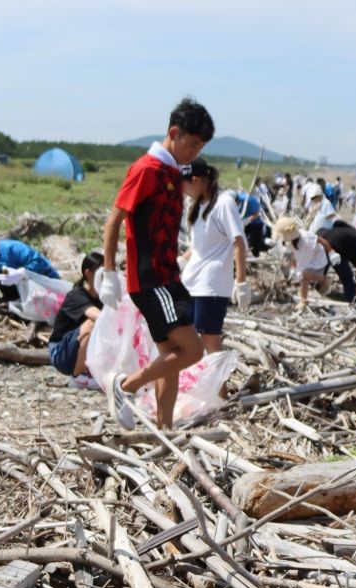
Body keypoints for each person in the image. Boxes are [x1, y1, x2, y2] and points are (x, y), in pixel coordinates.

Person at [97, 97, 214, 429]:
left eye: (200, 147)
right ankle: (125, 386)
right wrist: (108, 272)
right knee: (193, 351)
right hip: (151, 281)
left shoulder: (172, 172)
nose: (194, 152)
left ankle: (165, 429)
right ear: (173, 133)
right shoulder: (146, 169)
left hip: (168, 277)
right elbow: (114, 219)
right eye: (191, 144)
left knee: (171, 359)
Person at [180, 159, 251, 354]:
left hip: (211, 285)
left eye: (184, 184)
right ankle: (197, 382)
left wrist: (241, 282)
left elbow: (239, 242)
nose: (182, 190)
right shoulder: (198, 206)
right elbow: (199, 246)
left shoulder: (223, 202)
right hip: (191, 282)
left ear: (196, 180)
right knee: (189, 338)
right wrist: (181, 261)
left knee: (210, 340)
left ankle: (220, 385)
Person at [48, 251, 104, 385]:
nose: (106, 278)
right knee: (93, 323)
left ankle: (92, 371)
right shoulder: (77, 295)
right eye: (102, 274)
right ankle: (78, 376)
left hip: (76, 349)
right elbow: (98, 316)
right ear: (88, 274)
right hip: (60, 353)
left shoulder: (101, 296)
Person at [271, 216, 333, 308]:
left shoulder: (306, 236)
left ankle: (325, 280)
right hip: (305, 260)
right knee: (303, 279)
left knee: (305, 274)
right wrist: (293, 268)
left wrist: (332, 252)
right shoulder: (289, 242)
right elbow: (293, 255)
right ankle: (304, 300)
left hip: (316, 258)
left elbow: (321, 240)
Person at [316, 218, 356, 304]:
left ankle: (315, 286)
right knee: (347, 277)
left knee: (322, 268)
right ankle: (352, 300)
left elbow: (338, 223)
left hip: (323, 238)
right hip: (334, 247)